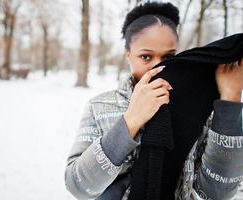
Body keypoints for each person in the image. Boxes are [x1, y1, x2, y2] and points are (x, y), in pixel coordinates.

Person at [64, 2, 243, 200]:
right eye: (146, 56)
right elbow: (78, 186)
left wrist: (230, 100)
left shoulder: (201, 109)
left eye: (169, 56)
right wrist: (131, 121)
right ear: (129, 56)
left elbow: (217, 193)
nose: (160, 67)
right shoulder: (100, 106)